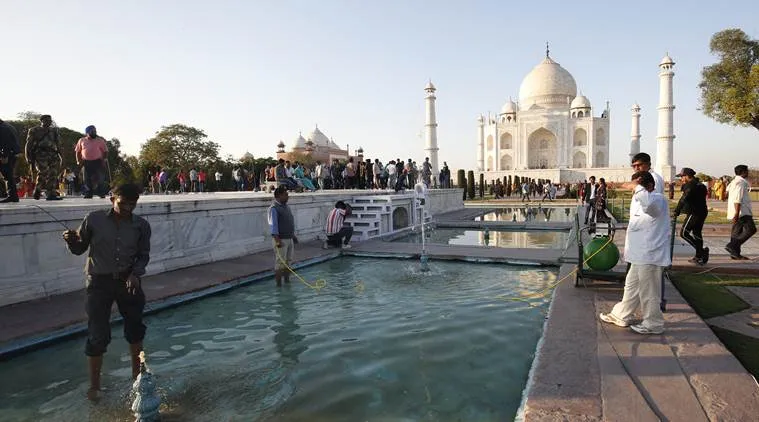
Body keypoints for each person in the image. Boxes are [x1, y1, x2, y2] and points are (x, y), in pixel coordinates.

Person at [61, 183, 151, 401]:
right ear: (112, 199)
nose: (128, 208)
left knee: (136, 330)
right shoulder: (93, 219)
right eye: (123, 203)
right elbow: (80, 248)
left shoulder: (141, 226)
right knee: (97, 335)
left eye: (133, 204)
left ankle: (138, 380)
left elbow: (143, 255)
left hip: (127, 282)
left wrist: (135, 274)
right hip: (99, 284)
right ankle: (94, 387)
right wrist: (71, 241)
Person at [600, 171, 670, 335]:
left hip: (650, 255)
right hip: (639, 255)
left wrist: (637, 187)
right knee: (631, 288)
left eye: (638, 187)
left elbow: (650, 207)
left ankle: (654, 323)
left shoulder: (658, 199)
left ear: (650, 187)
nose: (635, 191)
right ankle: (622, 315)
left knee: (649, 292)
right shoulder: (639, 199)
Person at [673, 167, 709, 265]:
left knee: (684, 233)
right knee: (697, 234)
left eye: (682, 176)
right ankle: (698, 256)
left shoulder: (690, 185)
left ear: (687, 176)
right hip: (702, 211)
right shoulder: (700, 184)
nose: (681, 179)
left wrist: (677, 211)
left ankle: (701, 252)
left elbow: (683, 199)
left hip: (694, 213)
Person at [25, 115, 63, 200]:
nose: (49, 122)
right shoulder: (34, 130)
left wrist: (61, 156)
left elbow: (58, 144)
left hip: (53, 154)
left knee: (53, 173)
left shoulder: (54, 131)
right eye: (46, 120)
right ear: (41, 121)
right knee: (43, 172)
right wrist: (27, 156)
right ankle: (38, 189)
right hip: (40, 154)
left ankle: (51, 193)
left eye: (50, 120)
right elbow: (29, 144)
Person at [268, 186, 298, 286]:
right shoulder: (274, 209)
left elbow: (288, 222)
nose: (288, 196)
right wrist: (277, 241)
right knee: (280, 263)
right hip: (281, 240)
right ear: (279, 195)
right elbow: (273, 226)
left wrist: (293, 236)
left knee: (288, 261)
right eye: (286, 195)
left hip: (289, 238)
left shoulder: (286, 207)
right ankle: (279, 285)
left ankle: (287, 281)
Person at [725, 164, 756, 260]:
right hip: (742, 212)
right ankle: (732, 245)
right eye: (747, 171)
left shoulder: (734, 181)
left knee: (736, 233)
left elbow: (726, 193)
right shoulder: (740, 183)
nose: (748, 172)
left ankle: (735, 254)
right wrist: (736, 213)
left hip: (737, 211)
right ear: (743, 172)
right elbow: (737, 199)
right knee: (751, 229)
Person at [75, 125, 108, 198]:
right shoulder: (81, 140)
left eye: (95, 131)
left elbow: (105, 151)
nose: (94, 132)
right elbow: (77, 152)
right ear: (87, 132)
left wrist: (104, 160)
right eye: (92, 131)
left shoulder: (100, 140)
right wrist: (78, 161)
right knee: (86, 179)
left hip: (98, 162)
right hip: (86, 162)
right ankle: (88, 193)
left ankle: (101, 193)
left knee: (100, 178)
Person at [0, 118, 21, 203]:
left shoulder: (3, 128)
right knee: (8, 175)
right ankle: (13, 196)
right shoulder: (8, 126)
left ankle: (12, 196)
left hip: (8, 154)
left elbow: (6, 142)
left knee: (8, 175)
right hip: (12, 153)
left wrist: (5, 156)